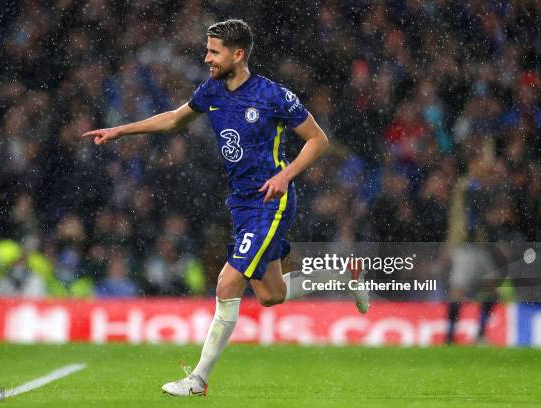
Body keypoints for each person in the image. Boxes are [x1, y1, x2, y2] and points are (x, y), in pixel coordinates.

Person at [82, 19, 368, 397]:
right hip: (241, 203)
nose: (207, 58)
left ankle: (198, 380)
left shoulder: (273, 95)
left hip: (271, 200)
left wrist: (287, 175)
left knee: (227, 282)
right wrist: (120, 130)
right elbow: (172, 119)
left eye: (214, 51)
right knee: (270, 294)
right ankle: (344, 277)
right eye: (207, 50)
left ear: (238, 54)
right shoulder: (211, 90)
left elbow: (318, 140)